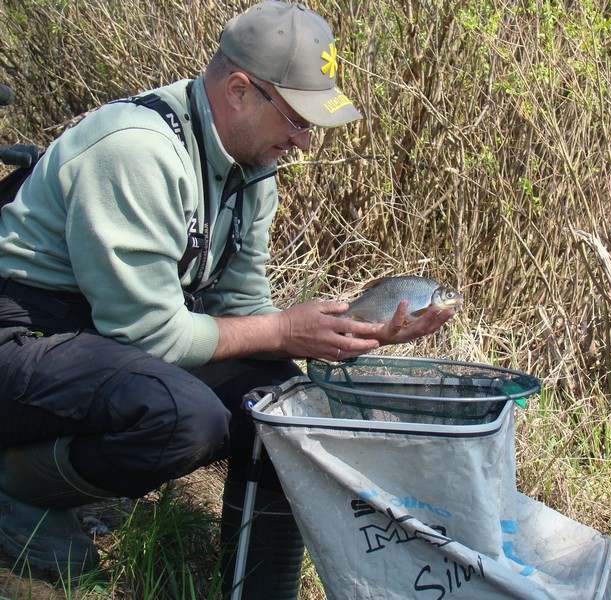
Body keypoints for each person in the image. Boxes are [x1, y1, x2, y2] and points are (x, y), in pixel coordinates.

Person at [0, 2, 454, 598]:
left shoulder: (250, 165)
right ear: (240, 90)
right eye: (296, 119)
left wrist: (350, 331)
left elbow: (243, 310)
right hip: (24, 331)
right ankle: (19, 491)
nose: (303, 141)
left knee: (283, 407)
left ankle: (258, 588)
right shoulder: (137, 151)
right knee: (181, 416)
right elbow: (151, 335)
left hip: (102, 334)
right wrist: (282, 331)